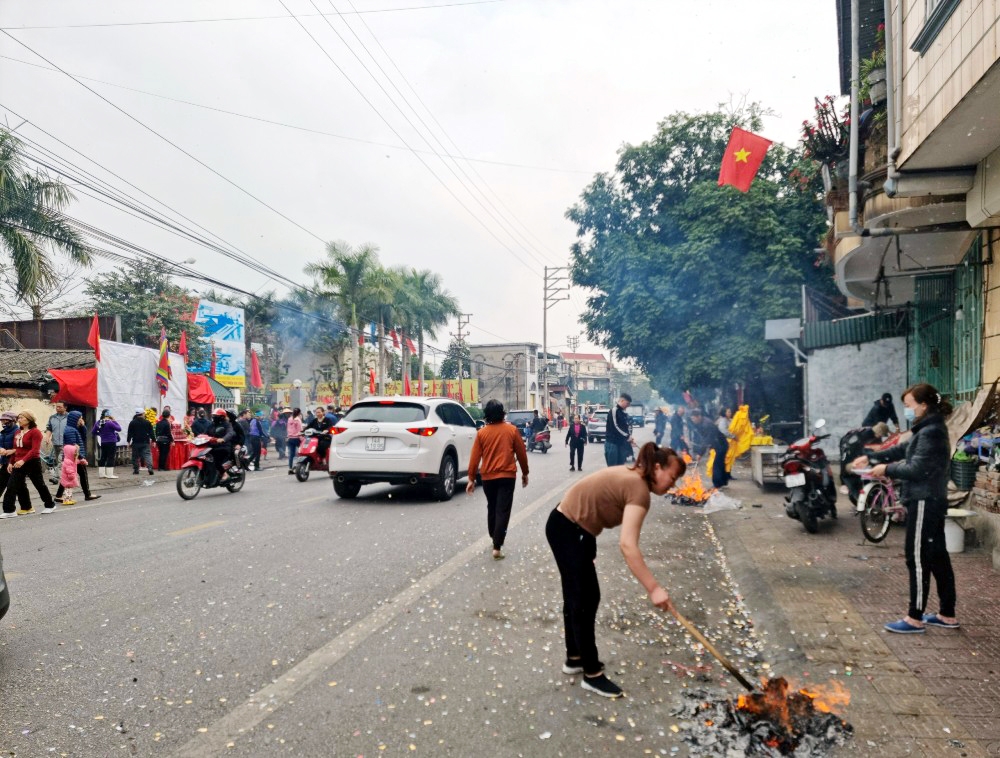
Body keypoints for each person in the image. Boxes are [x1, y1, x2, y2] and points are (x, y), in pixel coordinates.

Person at [546, 442, 686, 698]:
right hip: (568, 528)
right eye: (672, 477)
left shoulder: (636, 478)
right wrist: (654, 589)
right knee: (584, 599)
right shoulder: (639, 489)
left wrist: (588, 550)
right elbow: (628, 545)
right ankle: (592, 674)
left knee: (581, 596)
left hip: (575, 530)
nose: (672, 485)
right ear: (657, 467)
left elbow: (597, 505)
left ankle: (575, 657)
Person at [852, 383, 959, 634]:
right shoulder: (926, 428)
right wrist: (872, 457)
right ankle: (947, 614)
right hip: (930, 499)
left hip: (924, 500)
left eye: (909, 405)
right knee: (938, 556)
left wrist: (886, 469)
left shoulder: (931, 431)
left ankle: (915, 618)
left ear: (923, 405)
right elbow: (903, 449)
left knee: (918, 557)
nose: (907, 410)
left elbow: (917, 469)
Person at [466, 399, 530, 560]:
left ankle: (493, 535)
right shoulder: (512, 430)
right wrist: (525, 473)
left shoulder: (482, 433)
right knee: (503, 510)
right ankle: (497, 546)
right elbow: (521, 453)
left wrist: (471, 479)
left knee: (492, 507)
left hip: (488, 477)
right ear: (502, 413)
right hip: (507, 476)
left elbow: (475, 458)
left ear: (487, 415)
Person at [2, 411, 55, 515]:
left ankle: (50, 505)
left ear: (28, 419)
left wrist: (23, 460)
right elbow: (16, 449)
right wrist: (11, 462)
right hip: (18, 462)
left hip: (32, 462)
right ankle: (9, 511)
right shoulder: (18, 433)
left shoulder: (35, 432)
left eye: (21, 418)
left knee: (39, 485)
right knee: (11, 485)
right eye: (19, 418)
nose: (19, 420)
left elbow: (35, 450)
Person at [55, 410, 100, 502]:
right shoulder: (70, 430)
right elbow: (72, 446)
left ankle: (58, 495)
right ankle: (88, 494)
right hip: (74, 458)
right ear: (74, 419)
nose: (81, 420)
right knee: (83, 476)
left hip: (73, 457)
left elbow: (83, 436)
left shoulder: (73, 429)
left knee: (66, 476)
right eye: (80, 418)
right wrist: (80, 457)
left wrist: (83, 426)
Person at [687, 408, 729, 489]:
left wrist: (700, 453)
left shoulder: (707, 424)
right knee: (720, 463)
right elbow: (704, 439)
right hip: (719, 444)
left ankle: (717, 485)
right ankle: (723, 481)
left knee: (716, 465)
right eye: (691, 418)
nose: (692, 420)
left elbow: (707, 440)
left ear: (698, 416)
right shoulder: (702, 422)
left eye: (693, 418)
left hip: (721, 445)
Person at [0, 411, 30, 516]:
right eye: (2, 420)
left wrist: (11, 451)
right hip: (5, 462)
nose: (3, 422)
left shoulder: (18, 432)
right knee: (19, 486)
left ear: (13, 420)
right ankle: (27, 507)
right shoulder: (3, 432)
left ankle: (12, 510)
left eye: (6, 420)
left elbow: (22, 448)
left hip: (16, 462)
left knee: (13, 486)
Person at [208, 408, 237, 484]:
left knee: (215, 460)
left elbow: (230, 433)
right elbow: (205, 432)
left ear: (221, 417)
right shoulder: (212, 424)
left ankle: (225, 474)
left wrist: (223, 439)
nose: (214, 417)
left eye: (216, 416)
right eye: (213, 415)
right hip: (213, 446)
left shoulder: (227, 424)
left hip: (223, 447)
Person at [604, 393, 634, 466]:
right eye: (627, 403)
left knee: (620, 466)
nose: (628, 405)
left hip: (621, 443)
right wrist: (627, 436)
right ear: (622, 400)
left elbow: (625, 427)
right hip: (612, 443)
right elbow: (615, 426)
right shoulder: (614, 411)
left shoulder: (623, 413)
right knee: (612, 468)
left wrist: (629, 438)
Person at [92, 409, 122, 479]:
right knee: (111, 457)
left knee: (103, 457)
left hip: (103, 442)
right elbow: (119, 429)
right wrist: (114, 420)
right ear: (109, 415)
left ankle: (102, 474)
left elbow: (93, 432)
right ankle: (110, 474)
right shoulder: (110, 422)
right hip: (111, 442)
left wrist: (100, 434)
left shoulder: (98, 422)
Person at [126, 408, 155, 476]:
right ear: (142, 414)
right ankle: (150, 468)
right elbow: (151, 432)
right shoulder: (147, 422)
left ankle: (136, 470)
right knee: (147, 455)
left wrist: (128, 441)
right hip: (145, 442)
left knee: (135, 456)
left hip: (136, 442)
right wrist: (154, 440)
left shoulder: (132, 422)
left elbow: (129, 433)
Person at [285, 408, 303, 474]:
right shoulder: (298, 420)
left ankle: (290, 468)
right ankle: (297, 466)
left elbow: (287, 428)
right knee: (301, 453)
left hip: (290, 438)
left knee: (291, 454)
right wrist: (302, 439)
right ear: (299, 413)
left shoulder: (289, 419)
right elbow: (300, 430)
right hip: (297, 438)